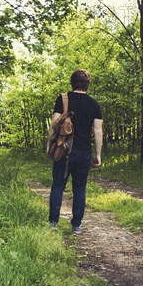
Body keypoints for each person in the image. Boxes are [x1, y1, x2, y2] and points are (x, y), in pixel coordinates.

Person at [49, 69, 103, 234]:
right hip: (83, 152)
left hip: (63, 150)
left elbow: (53, 125)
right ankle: (76, 225)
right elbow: (98, 131)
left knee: (58, 185)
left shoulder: (63, 99)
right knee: (79, 188)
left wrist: (50, 145)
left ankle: (53, 223)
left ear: (72, 83)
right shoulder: (94, 104)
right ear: (88, 85)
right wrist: (98, 154)